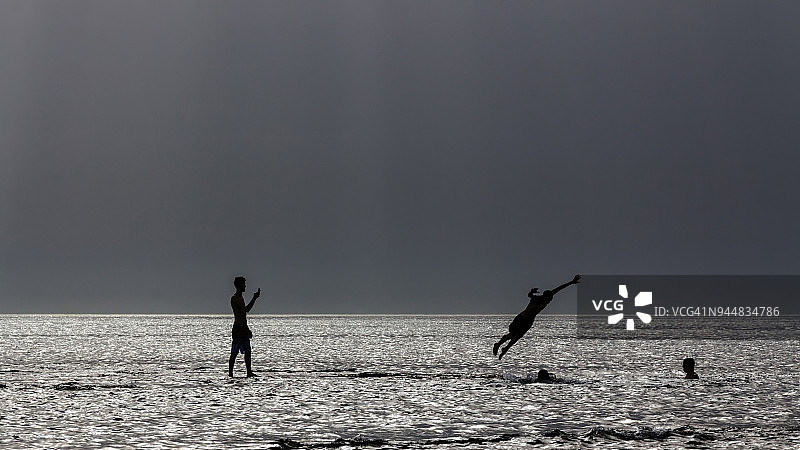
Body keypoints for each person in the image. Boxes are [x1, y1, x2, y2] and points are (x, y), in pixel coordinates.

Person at [493, 274, 581, 360]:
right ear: (544, 296)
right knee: (512, 335)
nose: (549, 301)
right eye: (548, 299)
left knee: (517, 337)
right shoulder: (537, 299)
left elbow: (559, 288)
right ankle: (498, 344)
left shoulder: (549, 296)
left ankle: (506, 348)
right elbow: (530, 296)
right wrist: (531, 292)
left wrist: (571, 282)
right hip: (522, 318)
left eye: (550, 300)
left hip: (529, 321)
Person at [228, 276, 261, 377]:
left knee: (248, 351)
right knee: (234, 352)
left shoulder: (241, 298)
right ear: (239, 285)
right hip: (238, 329)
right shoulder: (234, 298)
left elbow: (244, 313)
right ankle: (230, 373)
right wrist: (254, 298)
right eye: (243, 284)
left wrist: (247, 328)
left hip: (243, 328)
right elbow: (244, 311)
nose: (245, 286)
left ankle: (249, 372)